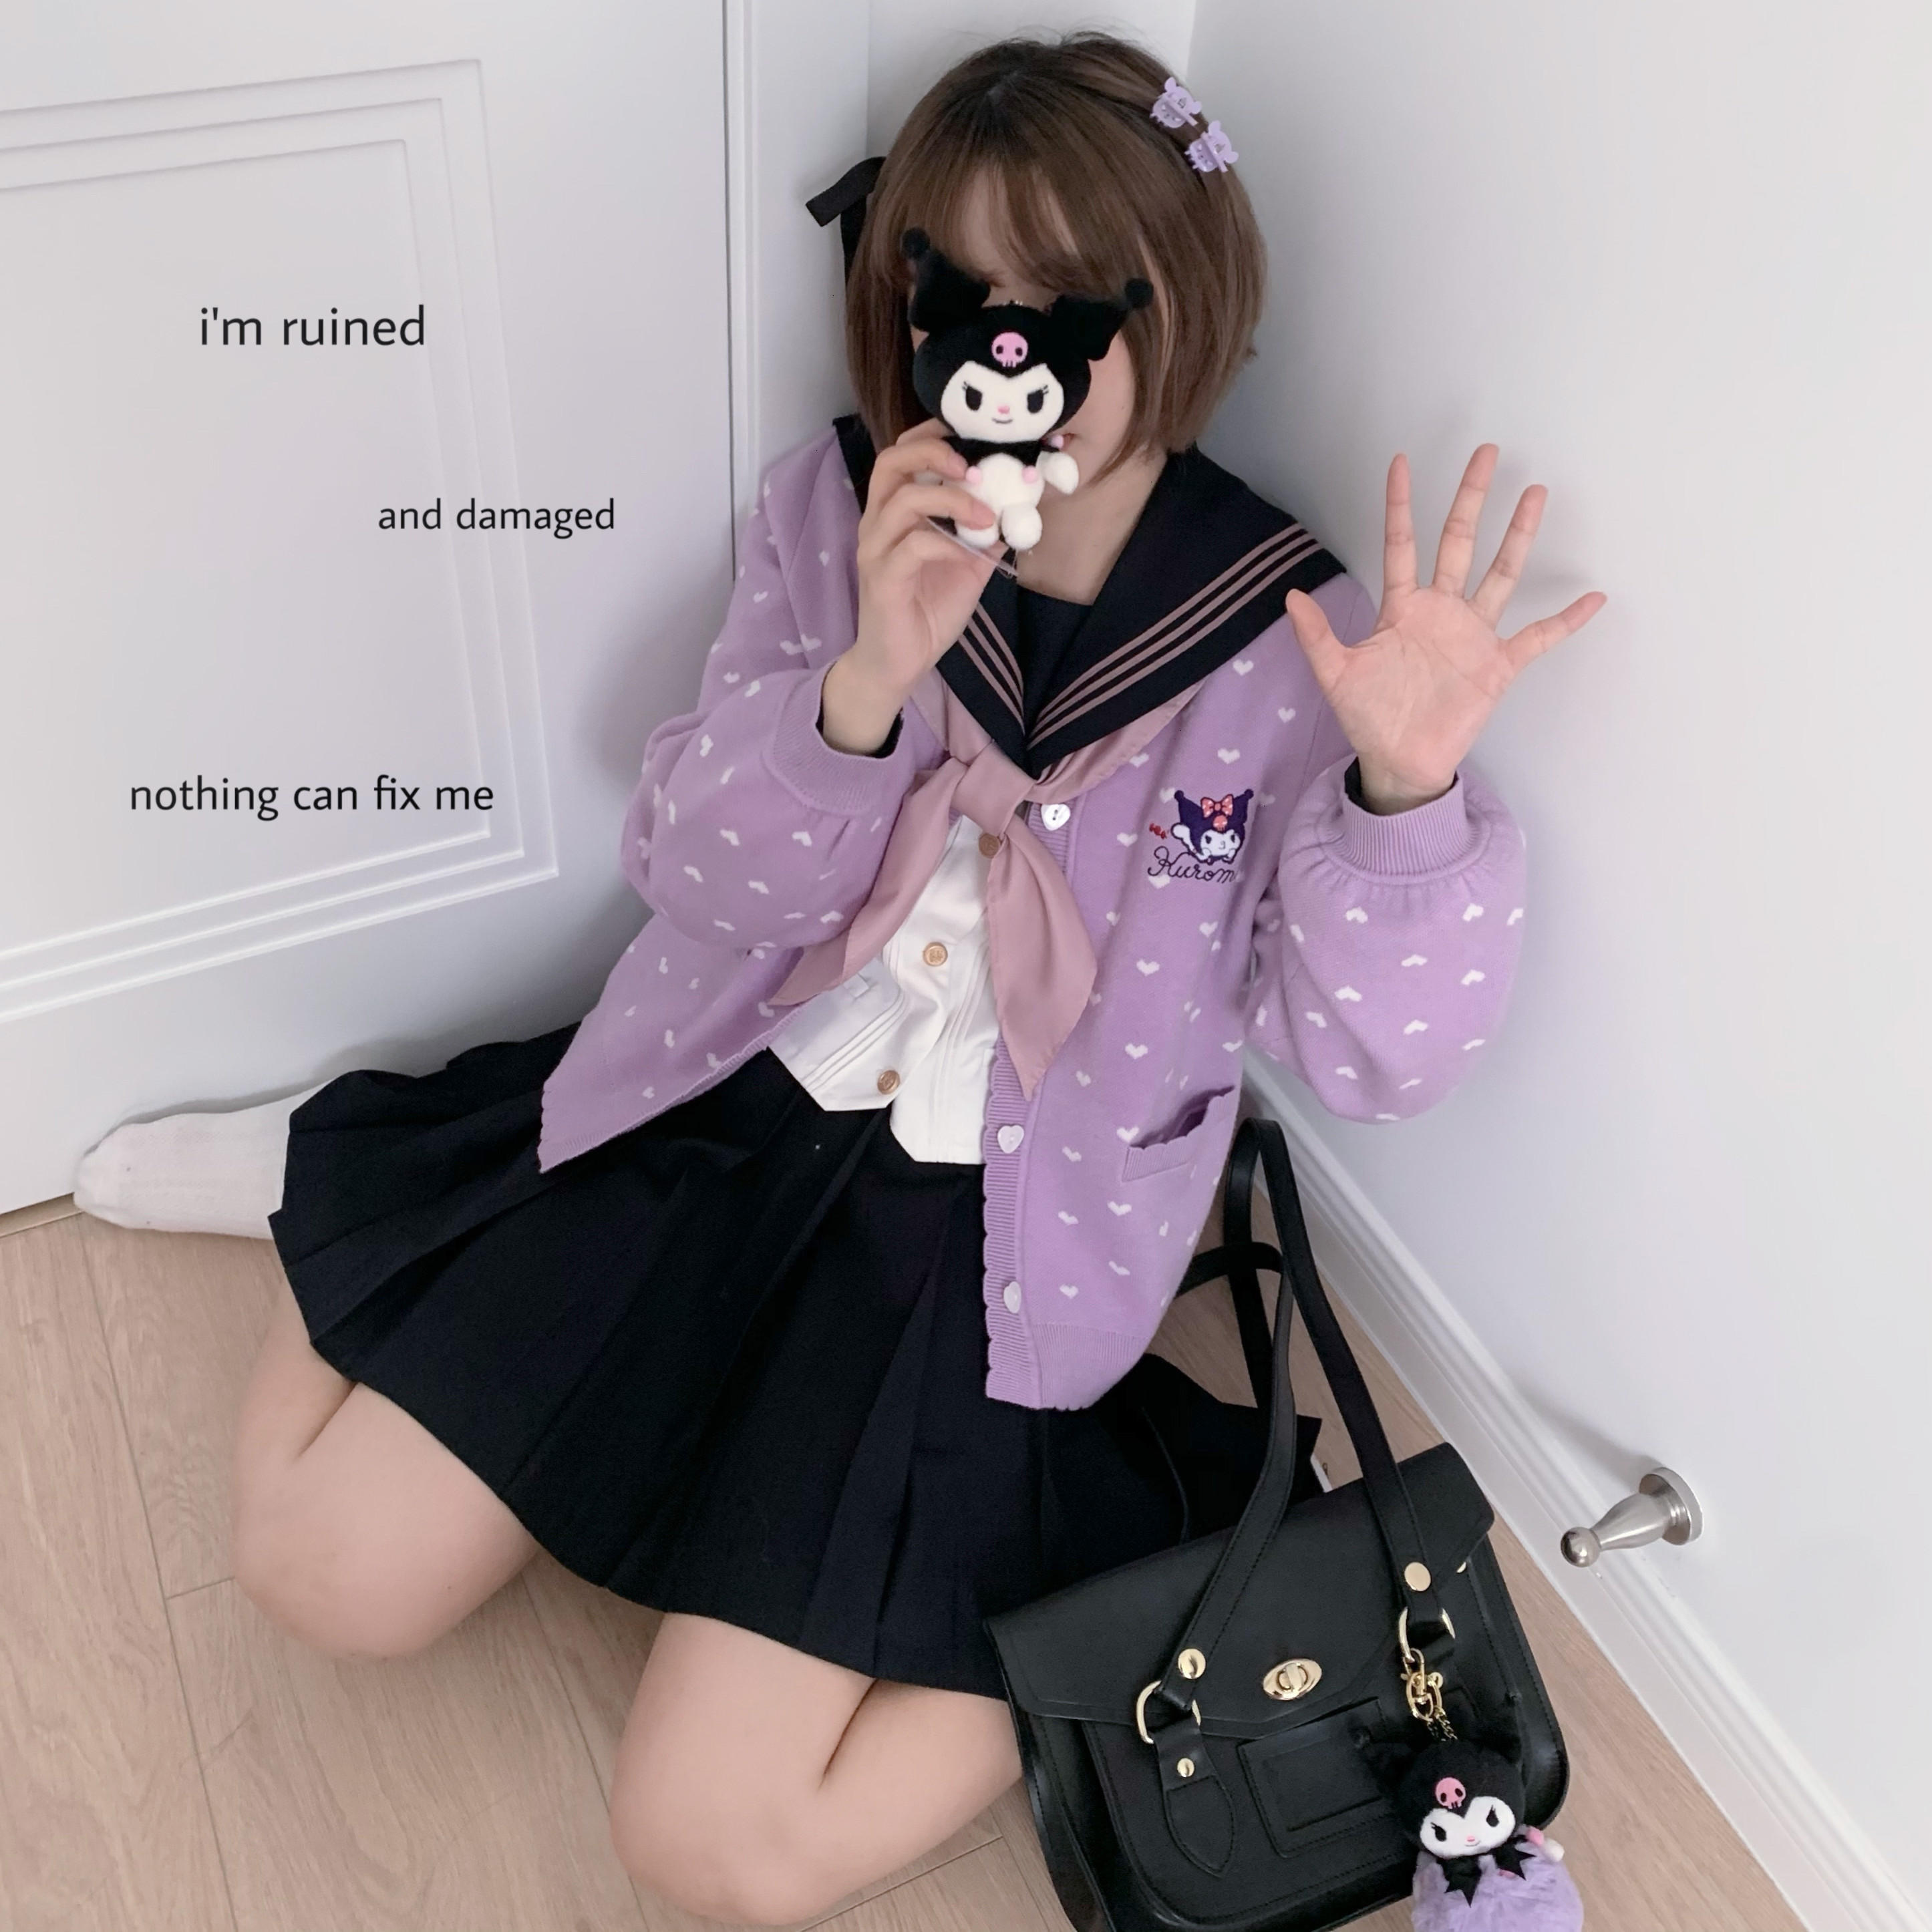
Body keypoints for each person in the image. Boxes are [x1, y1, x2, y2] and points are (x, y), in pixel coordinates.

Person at [74, 31, 1603, 1926]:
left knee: (716, 1846)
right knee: (322, 1567)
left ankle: (1098, 1588)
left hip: (994, 1244)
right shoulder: (845, 509)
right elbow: (691, 871)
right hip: (721, 1104)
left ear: (1176, 300)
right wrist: (865, 682)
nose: (1016, 352)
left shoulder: (1293, 644)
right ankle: (376, 1187)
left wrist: (1403, 795)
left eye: (1072, 300)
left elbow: (1371, 1057)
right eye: (965, 293)